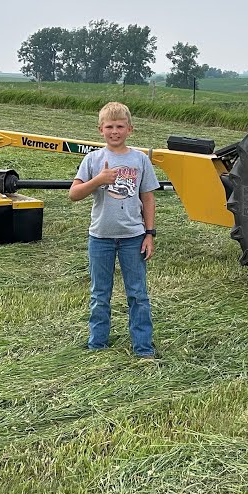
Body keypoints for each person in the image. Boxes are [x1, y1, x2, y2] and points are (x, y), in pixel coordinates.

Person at [69, 102, 161, 359]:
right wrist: (99, 180)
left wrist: (149, 234)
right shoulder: (93, 160)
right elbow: (74, 194)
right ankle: (97, 344)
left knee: (138, 294)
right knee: (100, 294)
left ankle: (143, 348)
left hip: (133, 238)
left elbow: (149, 198)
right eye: (109, 126)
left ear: (130, 129)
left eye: (120, 126)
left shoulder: (140, 159)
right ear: (100, 130)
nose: (115, 131)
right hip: (100, 238)